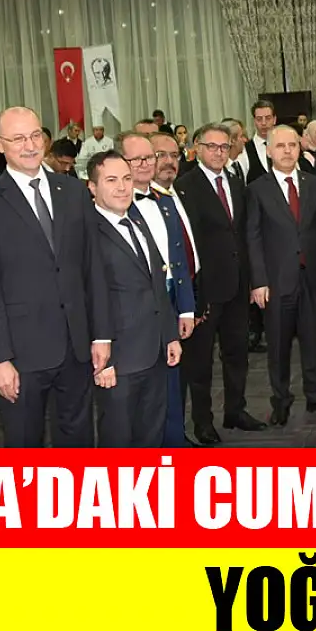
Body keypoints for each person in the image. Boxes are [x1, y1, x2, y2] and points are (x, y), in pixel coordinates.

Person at [0, 106, 112, 448]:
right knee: (24, 447)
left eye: (34, 136)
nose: (30, 146)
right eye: (18, 138)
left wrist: (102, 335)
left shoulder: (73, 192)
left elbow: (92, 268)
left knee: (78, 441)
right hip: (20, 355)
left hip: (76, 347)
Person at [174, 123, 268, 443]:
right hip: (205, 290)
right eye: (211, 146)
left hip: (237, 285)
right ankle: (203, 422)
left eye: (224, 147)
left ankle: (236, 410)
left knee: (237, 353)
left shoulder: (236, 182)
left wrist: (252, 279)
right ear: (197, 148)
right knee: (200, 362)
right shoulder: (185, 186)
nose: (218, 152)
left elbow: (242, 233)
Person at [246, 126, 316, 426]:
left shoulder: (313, 184)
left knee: (314, 341)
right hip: (276, 282)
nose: (287, 151)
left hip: (312, 277)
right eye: (280, 146)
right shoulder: (257, 189)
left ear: (300, 149)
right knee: (278, 346)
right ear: (269, 151)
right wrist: (259, 281)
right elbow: (253, 237)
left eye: (292, 145)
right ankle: (281, 401)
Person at [86, 150, 181, 447]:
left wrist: (169, 335)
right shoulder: (86, 233)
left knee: (151, 436)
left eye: (126, 179)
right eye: (111, 180)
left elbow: (156, 285)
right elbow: (88, 299)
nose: (122, 187)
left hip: (154, 353)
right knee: (118, 442)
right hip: (118, 361)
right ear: (92, 187)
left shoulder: (137, 222)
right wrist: (104, 361)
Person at [120, 132, 197, 447]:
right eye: (136, 159)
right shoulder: (115, 206)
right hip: (136, 308)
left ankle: (174, 444)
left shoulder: (165, 201)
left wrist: (187, 308)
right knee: (141, 389)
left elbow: (178, 258)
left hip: (170, 300)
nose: (144, 164)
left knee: (172, 380)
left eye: (148, 158)